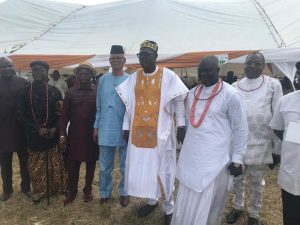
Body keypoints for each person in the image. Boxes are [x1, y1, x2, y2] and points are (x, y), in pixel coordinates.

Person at [116, 40, 188, 225]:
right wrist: (125, 127)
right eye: (140, 55)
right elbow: (129, 105)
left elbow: (178, 102)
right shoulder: (134, 77)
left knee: (164, 170)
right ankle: (151, 200)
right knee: (146, 168)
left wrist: (181, 125)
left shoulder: (169, 76)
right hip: (139, 136)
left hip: (161, 133)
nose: (143, 58)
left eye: (147, 54)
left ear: (156, 56)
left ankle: (169, 207)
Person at [171, 56, 248, 225]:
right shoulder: (192, 93)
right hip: (192, 154)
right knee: (188, 190)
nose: (203, 74)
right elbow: (188, 119)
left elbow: (241, 129)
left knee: (208, 198)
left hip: (215, 158)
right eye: (201, 71)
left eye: (208, 70)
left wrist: (237, 159)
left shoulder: (231, 94)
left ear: (218, 71)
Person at [226, 52, 283, 225]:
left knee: (258, 182)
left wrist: (277, 149)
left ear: (263, 66)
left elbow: (278, 118)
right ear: (244, 65)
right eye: (249, 63)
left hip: (263, 143)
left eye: (256, 64)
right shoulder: (234, 86)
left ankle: (254, 213)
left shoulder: (273, 84)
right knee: (238, 179)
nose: (252, 66)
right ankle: (237, 207)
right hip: (239, 144)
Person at [17, 60, 67, 204]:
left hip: (52, 134)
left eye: (41, 70)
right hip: (33, 135)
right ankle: (40, 191)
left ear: (47, 72)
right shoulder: (24, 92)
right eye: (35, 70)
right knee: (36, 165)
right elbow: (20, 115)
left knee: (55, 163)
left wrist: (55, 128)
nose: (38, 73)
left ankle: (56, 188)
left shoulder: (54, 91)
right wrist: (37, 128)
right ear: (31, 72)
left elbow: (61, 113)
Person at [93, 45, 129, 207]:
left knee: (125, 165)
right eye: (113, 58)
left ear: (124, 60)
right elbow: (98, 106)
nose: (116, 60)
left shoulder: (130, 80)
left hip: (125, 129)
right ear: (109, 60)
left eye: (119, 58)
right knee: (105, 166)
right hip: (106, 128)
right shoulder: (103, 80)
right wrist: (96, 127)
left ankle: (124, 192)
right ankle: (104, 192)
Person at [59, 62, 98, 206]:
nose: (83, 76)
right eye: (81, 73)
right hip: (74, 135)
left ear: (91, 76)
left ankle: (87, 191)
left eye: (87, 73)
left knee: (91, 164)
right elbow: (63, 116)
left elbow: (100, 113)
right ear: (77, 75)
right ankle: (72, 191)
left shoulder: (97, 91)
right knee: (73, 165)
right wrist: (62, 134)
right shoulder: (70, 92)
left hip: (91, 135)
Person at [269, 62, 300, 225]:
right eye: (298, 74)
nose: (298, 78)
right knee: (291, 216)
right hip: (292, 172)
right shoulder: (285, 101)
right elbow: (278, 129)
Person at [0, 57, 31, 201]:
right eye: (3, 67)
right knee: (5, 164)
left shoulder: (24, 83)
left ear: (13, 66)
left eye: (9, 66)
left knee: (25, 162)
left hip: (21, 130)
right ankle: (7, 190)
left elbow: (30, 106)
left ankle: (26, 188)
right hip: (3, 130)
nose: (6, 69)